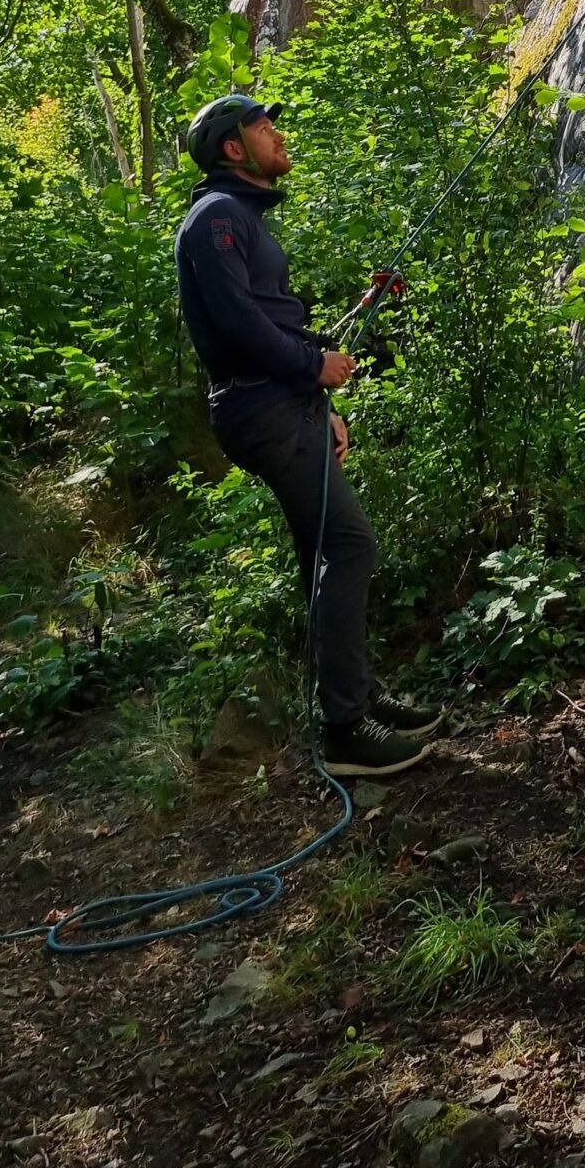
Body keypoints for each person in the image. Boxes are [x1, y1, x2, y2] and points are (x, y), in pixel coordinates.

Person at [175, 93, 444, 777]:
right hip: (261, 411)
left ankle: (354, 698)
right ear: (234, 149)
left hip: (282, 407)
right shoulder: (217, 220)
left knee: (322, 550)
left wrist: (321, 404)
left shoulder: (238, 219)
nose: (278, 135)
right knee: (350, 545)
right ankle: (346, 729)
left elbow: (271, 322)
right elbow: (239, 325)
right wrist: (312, 367)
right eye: (264, 129)